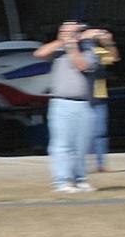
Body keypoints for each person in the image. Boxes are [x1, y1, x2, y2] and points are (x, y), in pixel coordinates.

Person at [34, 20, 98, 193]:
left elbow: (82, 65)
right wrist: (64, 41)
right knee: (62, 144)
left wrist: (73, 46)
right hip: (61, 103)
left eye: (71, 31)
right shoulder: (57, 50)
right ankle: (62, 181)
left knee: (81, 145)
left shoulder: (88, 51)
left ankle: (80, 179)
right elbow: (39, 54)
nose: (67, 33)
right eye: (63, 30)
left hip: (84, 104)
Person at [84, 25, 118, 174]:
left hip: (98, 95)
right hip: (82, 96)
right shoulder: (80, 50)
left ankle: (100, 163)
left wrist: (108, 42)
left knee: (99, 132)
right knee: (84, 132)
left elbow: (114, 57)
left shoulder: (98, 51)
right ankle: (84, 163)